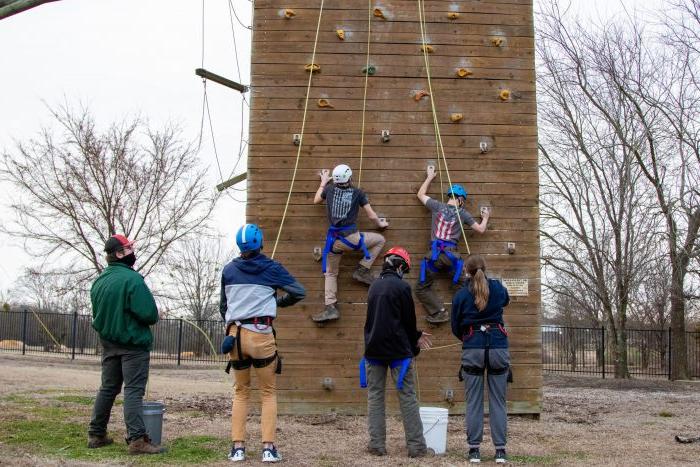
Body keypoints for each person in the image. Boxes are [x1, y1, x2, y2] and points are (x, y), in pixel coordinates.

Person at [221, 223, 306, 463]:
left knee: (241, 392)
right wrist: (276, 302)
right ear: (260, 243)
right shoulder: (272, 268)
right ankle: (268, 449)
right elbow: (299, 292)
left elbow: (223, 307)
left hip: (235, 337)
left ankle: (238, 449)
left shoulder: (228, 270)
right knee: (268, 393)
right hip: (261, 335)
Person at [87, 234, 164, 455]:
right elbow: (149, 314)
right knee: (133, 391)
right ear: (119, 253)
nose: (132, 252)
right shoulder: (133, 280)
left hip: (109, 344)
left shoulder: (99, 282)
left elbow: (99, 315)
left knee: (108, 388)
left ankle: (96, 434)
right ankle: (137, 440)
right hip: (133, 346)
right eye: (129, 248)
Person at [361, 246, 432, 458]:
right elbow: (408, 323)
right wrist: (415, 343)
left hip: (373, 350)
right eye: (406, 269)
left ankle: (376, 445)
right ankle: (417, 448)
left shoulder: (373, 287)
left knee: (375, 397)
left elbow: (374, 321)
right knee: (408, 397)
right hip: (399, 352)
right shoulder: (402, 288)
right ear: (400, 266)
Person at [451, 255, 510, 464]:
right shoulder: (497, 288)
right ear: (485, 269)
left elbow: (455, 326)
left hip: (473, 347)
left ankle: (474, 450)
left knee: (474, 401)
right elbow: (506, 300)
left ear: (466, 271)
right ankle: (500, 451)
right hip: (497, 347)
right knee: (498, 401)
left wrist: (468, 338)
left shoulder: (461, 294)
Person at [312, 163, 389, 323]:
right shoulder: (358, 193)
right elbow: (371, 215)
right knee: (380, 240)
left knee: (331, 273)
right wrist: (380, 225)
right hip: (352, 239)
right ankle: (362, 269)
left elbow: (316, 200)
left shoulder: (329, 189)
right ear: (350, 177)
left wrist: (323, 181)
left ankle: (330, 307)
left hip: (334, 242)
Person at [416, 165, 489, 323]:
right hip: (452, 257)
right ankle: (467, 313)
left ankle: (439, 312)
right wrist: (485, 217)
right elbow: (481, 229)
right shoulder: (463, 214)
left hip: (434, 257)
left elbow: (420, 194)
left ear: (450, 196)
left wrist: (429, 176)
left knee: (422, 288)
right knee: (462, 285)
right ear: (461, 200)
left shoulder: (437, 206)